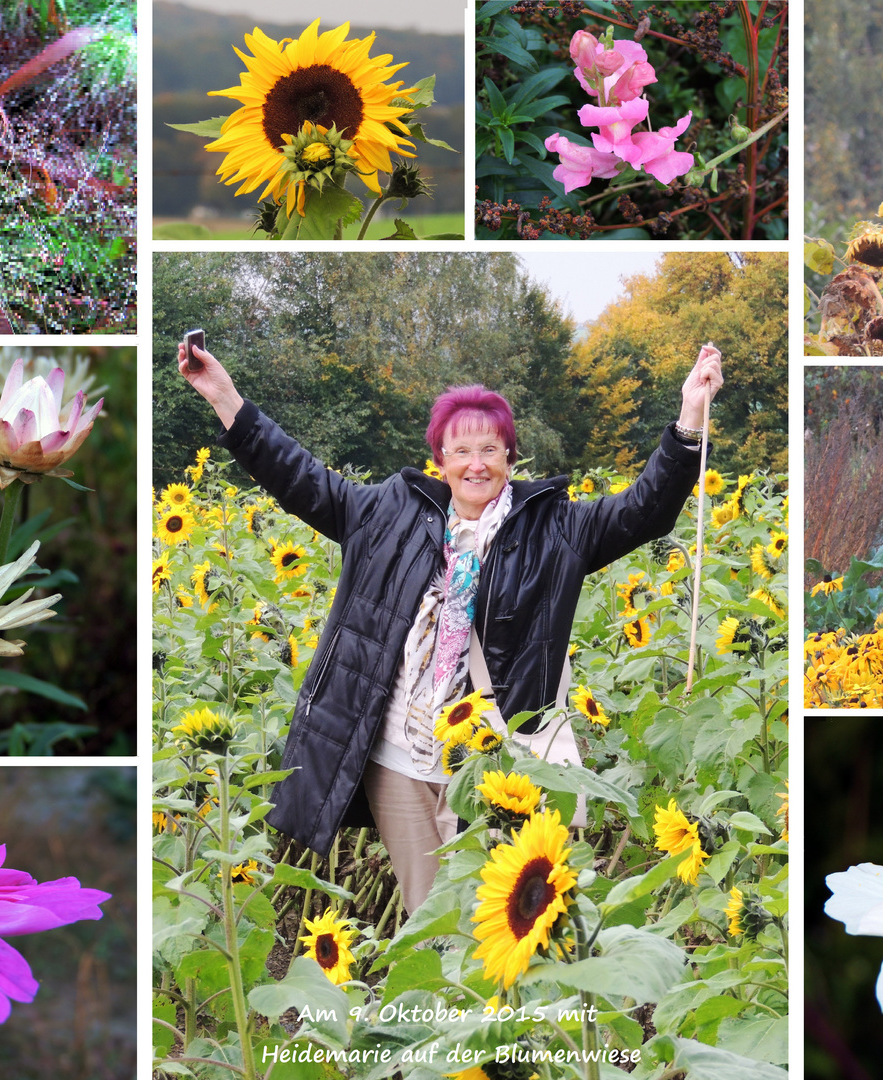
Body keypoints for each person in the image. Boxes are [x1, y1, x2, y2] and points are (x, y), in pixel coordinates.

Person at [178, 341, 722, 911]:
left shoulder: (556, 527)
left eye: (490, 448)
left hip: (498, 764)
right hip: (399, 760)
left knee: (502, 918)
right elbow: (298, 476)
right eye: (461, 450)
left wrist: (689, 419)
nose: (476, 463)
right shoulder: (387, 512)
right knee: (429, 914)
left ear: (511, 455)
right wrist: (224, 395)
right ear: (440, 458)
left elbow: (645, 509)